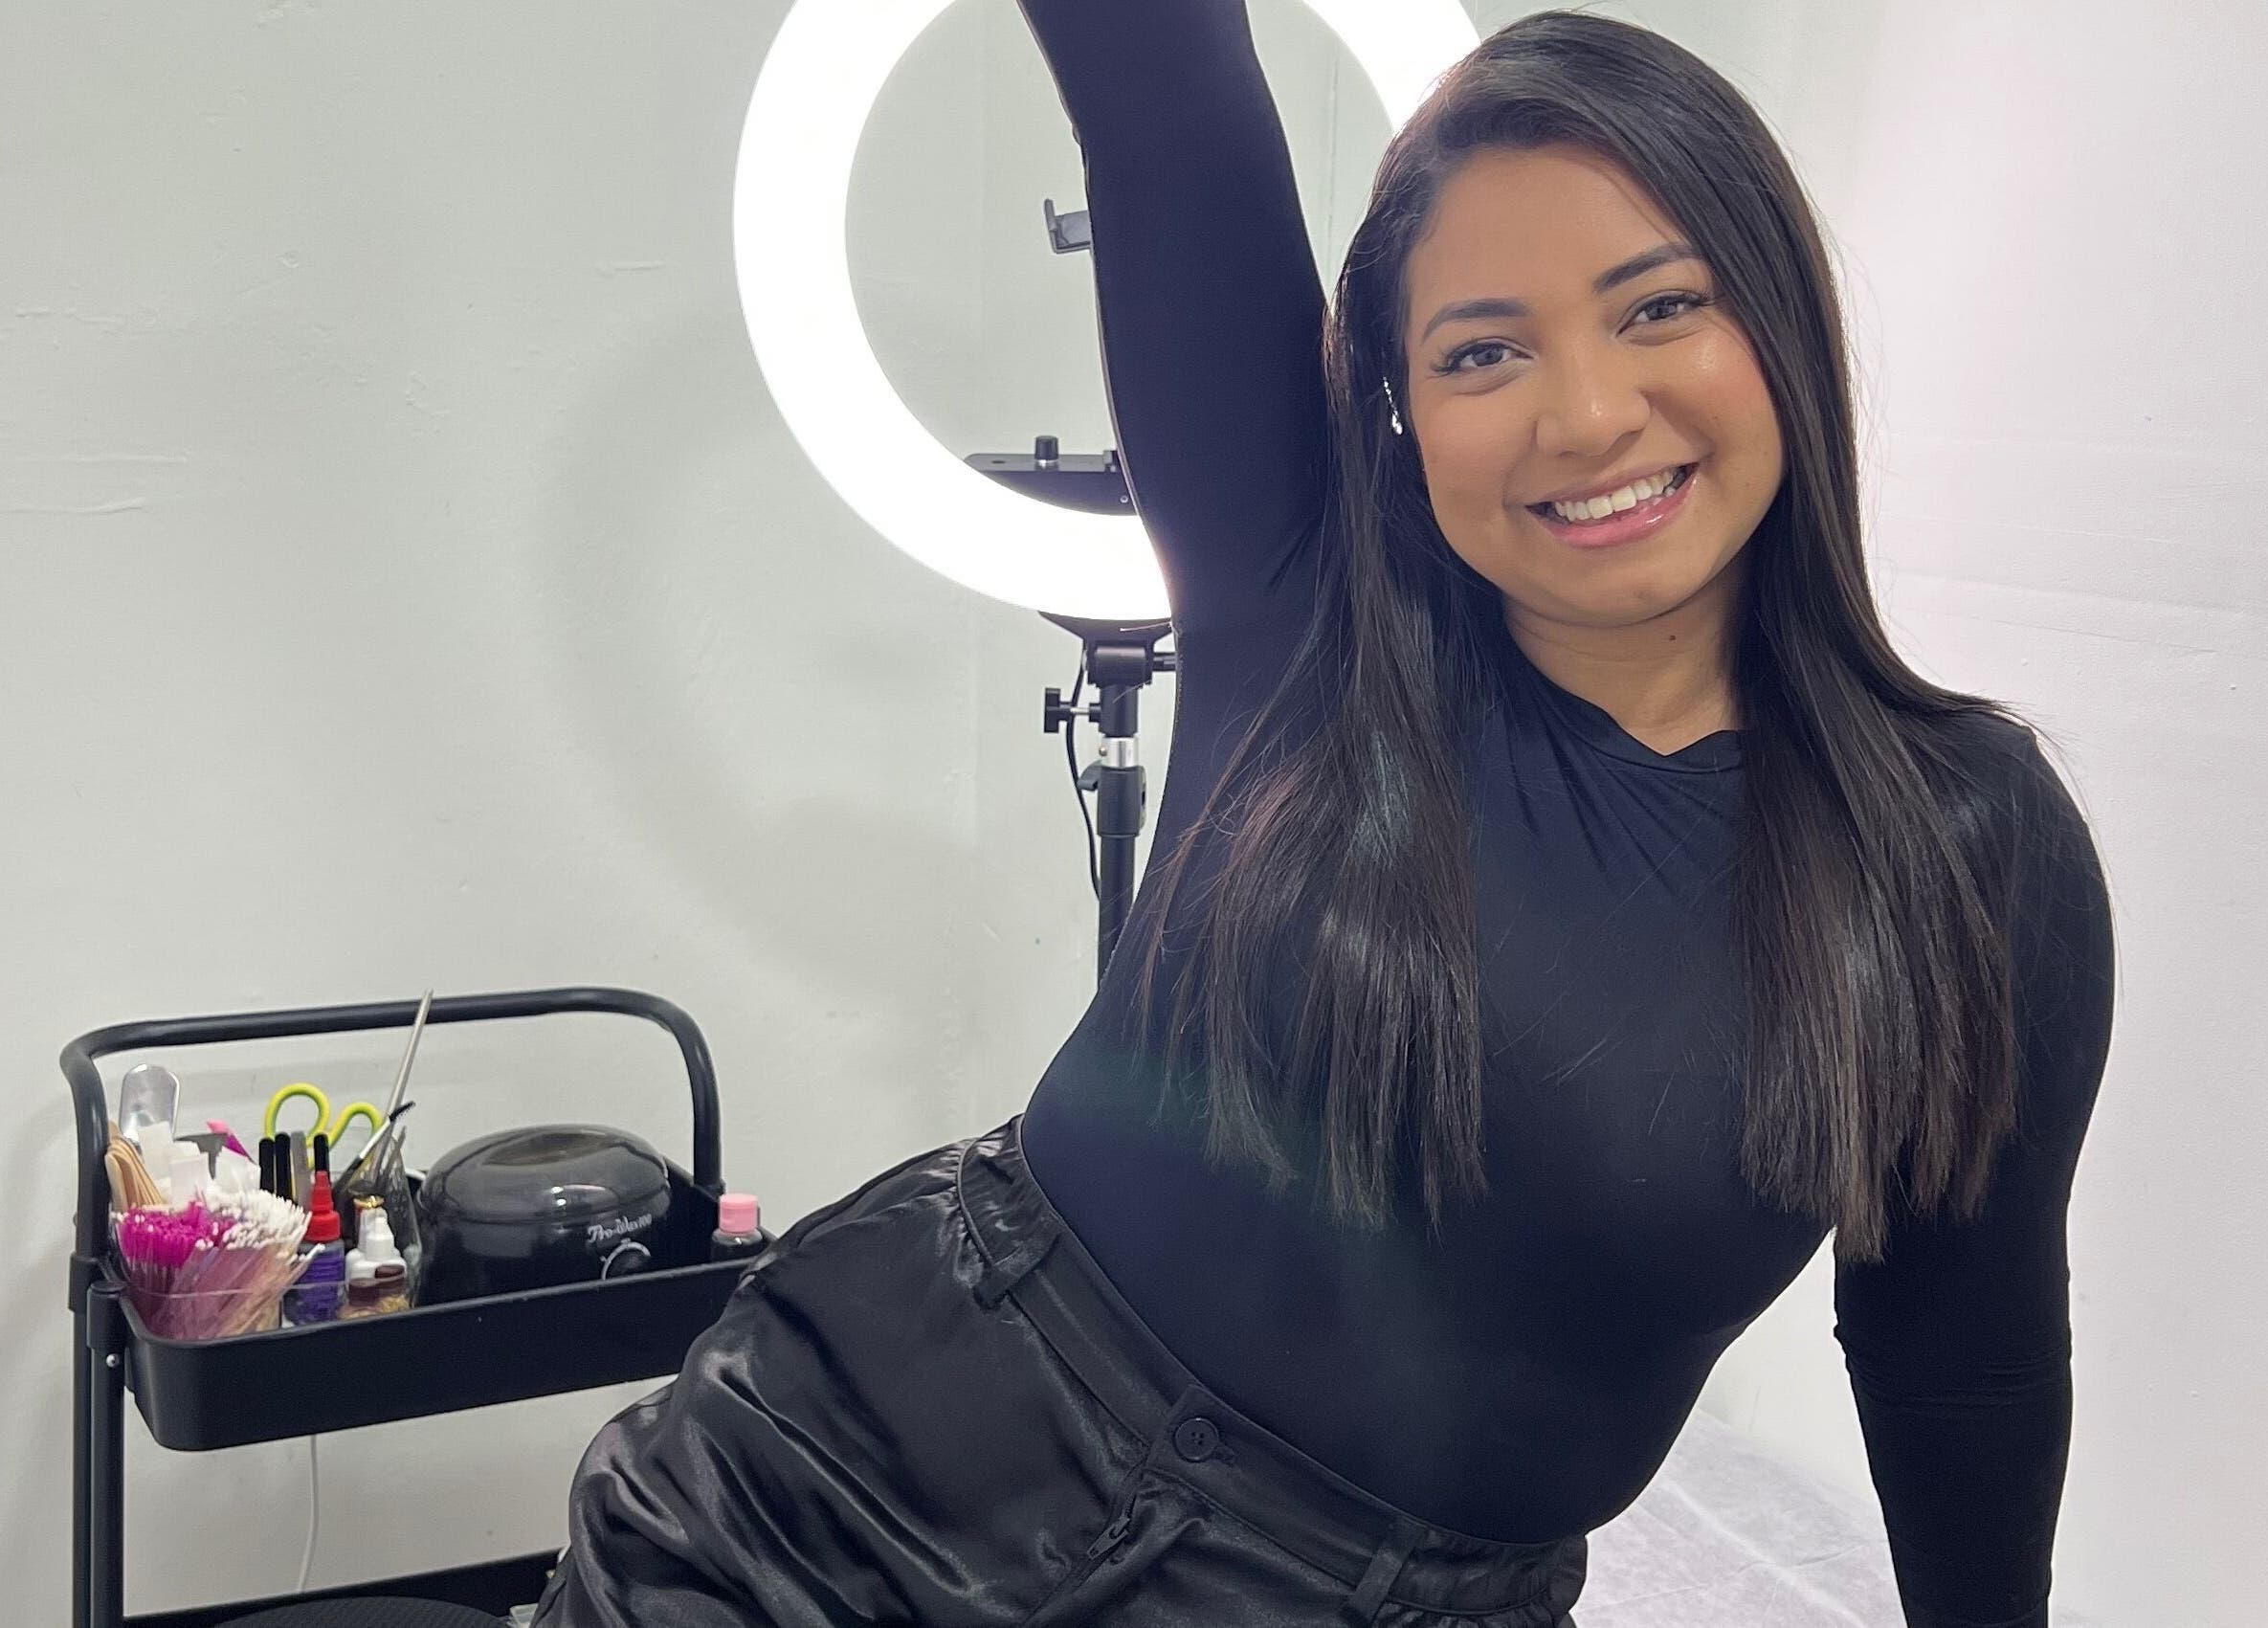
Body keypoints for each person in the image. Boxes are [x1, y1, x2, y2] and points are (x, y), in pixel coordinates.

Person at [532, 6, 2117, 1626]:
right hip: (838, 1492)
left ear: (1775, 312)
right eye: (1482, 350)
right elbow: (1157, 85)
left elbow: (1961, 1362)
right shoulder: (1303, 597)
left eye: (1660, 306)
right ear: (1398, 403)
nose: (1582, 417)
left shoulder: (1964, 849)